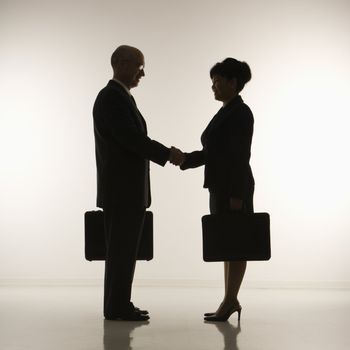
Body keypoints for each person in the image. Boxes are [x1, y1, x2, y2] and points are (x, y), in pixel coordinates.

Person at [93, 45, 184, 321]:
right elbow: (131, 139)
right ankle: (117, 306)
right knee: (121, 251)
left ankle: (119, 303)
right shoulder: (112, 97)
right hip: (122, 192)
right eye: (139, 65)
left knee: (124, 252)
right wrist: (168, 153)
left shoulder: (121, 97)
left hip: (125, 192)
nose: (143, 73)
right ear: (121, 63)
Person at [180, 58, 254, 322]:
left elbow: (239, 157)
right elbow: (213, 153)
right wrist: (186, 160)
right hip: (220, 188)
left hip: (233, 189)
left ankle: (230, 300)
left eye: (218, 82)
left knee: (236, 244)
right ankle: (229, 300)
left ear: (233, 83)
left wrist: (236, 196)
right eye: (213, 82)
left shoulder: (241, 113)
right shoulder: (226, 111)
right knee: (227, 244)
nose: (213, 87)